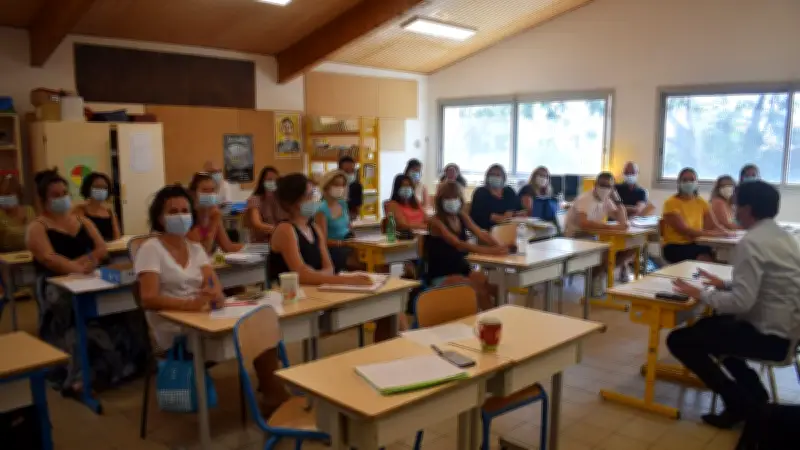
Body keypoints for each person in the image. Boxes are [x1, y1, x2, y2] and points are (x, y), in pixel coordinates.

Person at [668, 181, 800, 429]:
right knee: (709, 328)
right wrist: (724, 284)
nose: (734, 210)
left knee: (680, 340)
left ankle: (740, 403)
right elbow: (766, 283)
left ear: (748, 209)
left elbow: (741, 303)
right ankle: (755, 395)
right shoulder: (784, 236)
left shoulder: (752, 243)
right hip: (788, 330)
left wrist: (701, 294)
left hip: (770, 337)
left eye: (737, 204)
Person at [27, 169, 147, 393]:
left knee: (128, 304)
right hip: (55, 283)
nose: (62, 197)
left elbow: (102, 247)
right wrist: (78, 267)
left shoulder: (80, 220)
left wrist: (86, 262)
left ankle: (130, 363)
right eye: (55, 195)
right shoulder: (37, 227)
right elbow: (49, 258)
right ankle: (84, 374)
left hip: (89, 274)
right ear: (43, 200)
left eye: (65, 192)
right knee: (76, 313)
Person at [427, 181, 507, 309]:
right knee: (478, 290)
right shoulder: (436, 221)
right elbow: (459, 244)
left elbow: (481, 234)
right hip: (442, 274)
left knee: (494, 287)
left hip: (462, 269)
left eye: (455, 198)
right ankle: (490, 323)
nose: (452, 201)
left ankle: (496, 317)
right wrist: (491, 251)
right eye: (448, 198)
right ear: (440, 201)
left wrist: (500, 246)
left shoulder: (462, 216)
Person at [563, 172, 630, 292]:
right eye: (602, 185)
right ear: (595, 184)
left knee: (628, 250)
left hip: (593, 236)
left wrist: (618, 201)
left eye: (608, 186)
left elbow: (622, 221)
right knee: (607, 252)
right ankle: (594, 278)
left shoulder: (607, 200)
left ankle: (599, 275)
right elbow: (583, 223)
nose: (605, 189)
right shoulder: (585, 199)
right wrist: (610, 228)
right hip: (576, 237)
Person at [661, 167, 729, 263]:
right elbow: (687, 231)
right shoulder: (671, 203)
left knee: (720, 255)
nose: (688, 182)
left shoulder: (701, 202)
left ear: (697, 182)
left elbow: (714, 225)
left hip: (697, 242)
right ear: (679, 183)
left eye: (692, 180)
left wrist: (726, 233)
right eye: (685, 180)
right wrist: (716, 234)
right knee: (705, 257)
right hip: (675, 246)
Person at [186, 172, 243, 254]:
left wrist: (254, 248)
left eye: (212, 190)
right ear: (194, 193)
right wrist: (213, 222)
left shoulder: (213, 214)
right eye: (204, 190)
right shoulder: (188, 216)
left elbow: (228, 247)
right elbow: (203, 251)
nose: (209, 194)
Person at [314, 170, 355, 272]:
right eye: (336, 184)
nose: (340, 188)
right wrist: (341, 243)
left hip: (348, 245)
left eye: (342, 185)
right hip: (333, 250)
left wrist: (353, 240)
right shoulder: (321, 209)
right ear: (326, 186)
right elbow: (322, 240)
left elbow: (349, 228)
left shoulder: (343, 204)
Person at [469, 164, 520, 230]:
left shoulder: (509, 191)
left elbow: (515, 211)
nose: (495, 177)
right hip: (485, 231)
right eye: (492, 175)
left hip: (510, 229)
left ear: (503, 178)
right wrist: (504, 217)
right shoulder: (480, 192)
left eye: (498, 175)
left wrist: (508, 216)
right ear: (487, 177)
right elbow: (481, 217)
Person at [74, 172, 121, 242]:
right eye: (97, 186)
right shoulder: (80, 210)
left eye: (104, 187)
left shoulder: (110, 212)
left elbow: (117, 238)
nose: (101, 190)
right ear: (88, 188)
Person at [245, 166, 285, 243]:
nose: (273, 182)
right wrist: (277, 230)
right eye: (269, 180)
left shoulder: (282, 199)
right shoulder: (255, 199)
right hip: (261, 242)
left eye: (276, 180)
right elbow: (256, 223)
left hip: (280, 241)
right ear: (262, 182)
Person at [0, 174, 35, 252]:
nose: (3, 198)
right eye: (1, 194)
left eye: (8, 194)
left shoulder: (29, 210)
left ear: (18, 194)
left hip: (29, 258)